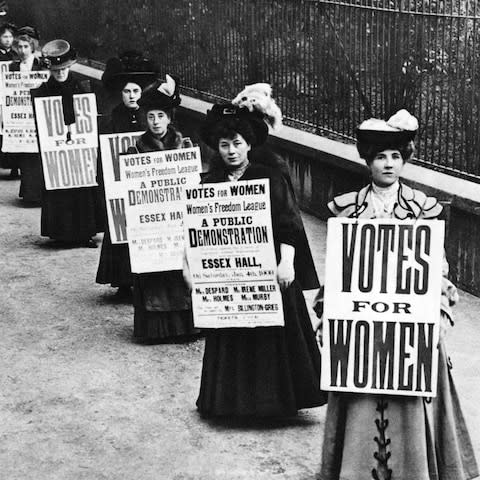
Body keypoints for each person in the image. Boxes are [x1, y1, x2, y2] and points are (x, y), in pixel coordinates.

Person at [315, 109, 479, 480]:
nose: (388, 164)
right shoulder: (348, 210)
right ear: (367, 160)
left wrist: (440, 314)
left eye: (395, 156)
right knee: (357, 387)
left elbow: (437, 271)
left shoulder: (423, 209)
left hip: (410, 327)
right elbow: (339, 273)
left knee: (418, 378)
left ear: (404, 159)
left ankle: (415, 469)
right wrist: (327, 317)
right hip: (363, 328)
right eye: (379, 157)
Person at [191, 104, 326, 417]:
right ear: (216, 147)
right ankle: (232, 402)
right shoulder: (209, 184)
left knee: (272, 334)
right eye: (224, 145)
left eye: (237, 143)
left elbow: (289, 224)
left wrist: (287, 262)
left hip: (270, 271)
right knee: (233, 331)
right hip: (231, 276)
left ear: (249, 144)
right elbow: (198, 234)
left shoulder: (269, 177)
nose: (231, 151)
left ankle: (275, 402)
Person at [127, 75, 196, 342]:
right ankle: (155, 329)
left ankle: (186, 326)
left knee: (181, 270)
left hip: (178, 221)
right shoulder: (135, 150)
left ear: (170, 118)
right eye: (151, 116)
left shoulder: (185, 147)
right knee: (155, 273)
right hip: (152, 226)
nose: (155, 121)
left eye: (160, 116)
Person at [96, 51, 157, 298]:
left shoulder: (150, 119)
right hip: (121, 185)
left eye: (136, 92)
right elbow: (105, 157)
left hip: (145, 185)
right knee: (122, 226)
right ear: (120, 94)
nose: (132, 96)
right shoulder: (112, 120)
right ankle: (123, 280)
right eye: (127, 92)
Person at [31, 39, 102, 247]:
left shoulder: (82, 87)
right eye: (56, 70)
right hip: (57, 148)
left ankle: (85, 232)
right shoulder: (42, 91)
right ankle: (62, 232)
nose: (60, 73)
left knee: (82, 187)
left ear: (70, 67)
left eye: (63, 69)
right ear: (50, 70)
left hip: (80, 148)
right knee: (59, 187)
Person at [7, 26, 46, 204]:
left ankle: (39, 192)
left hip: (38, 113)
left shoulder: (40, 65)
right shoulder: (13, 67)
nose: (22, 51)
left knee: (38, 153)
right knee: (26, 154)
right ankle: (29, 192)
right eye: (19, 47)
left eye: (26, 47)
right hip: (21, 115)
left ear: (32, 48)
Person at [0, 22, 18, 177]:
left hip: (11, 96)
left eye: (10, 36)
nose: (7, 39)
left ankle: (14, 166)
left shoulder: (15, 55)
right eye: (4, 36)